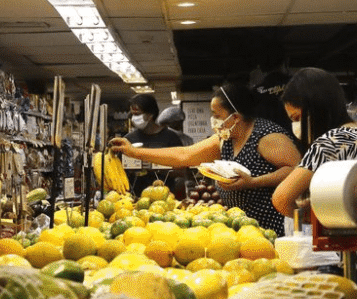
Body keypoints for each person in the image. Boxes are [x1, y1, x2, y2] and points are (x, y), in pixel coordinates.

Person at [272, 68, 357, 299]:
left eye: (297, 118)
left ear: (315, 109)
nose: (295, 126)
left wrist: (311, 215)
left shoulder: (330, 142)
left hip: (349, 274)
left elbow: (281, 198)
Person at [111, 82, 300, 235]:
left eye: (216, 115)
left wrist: (253, 182)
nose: (213, 120)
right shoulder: (225, 138)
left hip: (270, 227)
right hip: (240, 228)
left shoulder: (266, 136)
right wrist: (134, 152)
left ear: (235, 117)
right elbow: (184, 155)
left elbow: (296, 169)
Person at [122, 93, 187, 197]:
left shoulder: (171, 138)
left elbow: (182, 171)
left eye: (137, 114)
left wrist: (155, 166)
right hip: (135, 198)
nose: (134, 118)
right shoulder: (128, 139)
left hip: (166, 198)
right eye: (132, 114)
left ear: (150, 115)